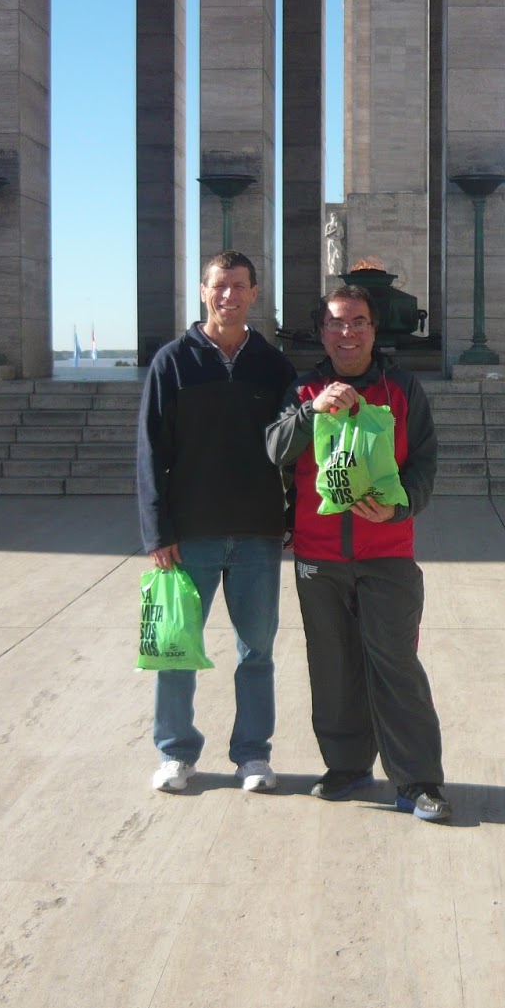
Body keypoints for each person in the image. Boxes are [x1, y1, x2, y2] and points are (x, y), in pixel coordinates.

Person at [266, 284, 451, 823]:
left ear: (373, 330)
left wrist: (399, 508)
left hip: (387, 553)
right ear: (322, 332)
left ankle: (417, 780)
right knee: (332, 667)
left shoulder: (402, 388)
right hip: (319, 556)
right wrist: (311, 411)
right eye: (336, 323)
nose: (347, 333)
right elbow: (274, 448)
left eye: (358, 322)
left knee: (396, 667)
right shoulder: (304, 389)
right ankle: (346, 766)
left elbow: (424, 463)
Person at [138, 250, 296, 795]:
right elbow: (151, 451)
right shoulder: (173, 362)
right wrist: (157, 532)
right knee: (176, 650)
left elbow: (294, 450)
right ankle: (175, 753)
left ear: (255, 293)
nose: (229, 295)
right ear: (204, 291)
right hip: (190, 537)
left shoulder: (273, 365)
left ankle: (253, 754)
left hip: (257, 533)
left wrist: (292, 517)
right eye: (219, 285)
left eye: (239, 286)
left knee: (257, 653)